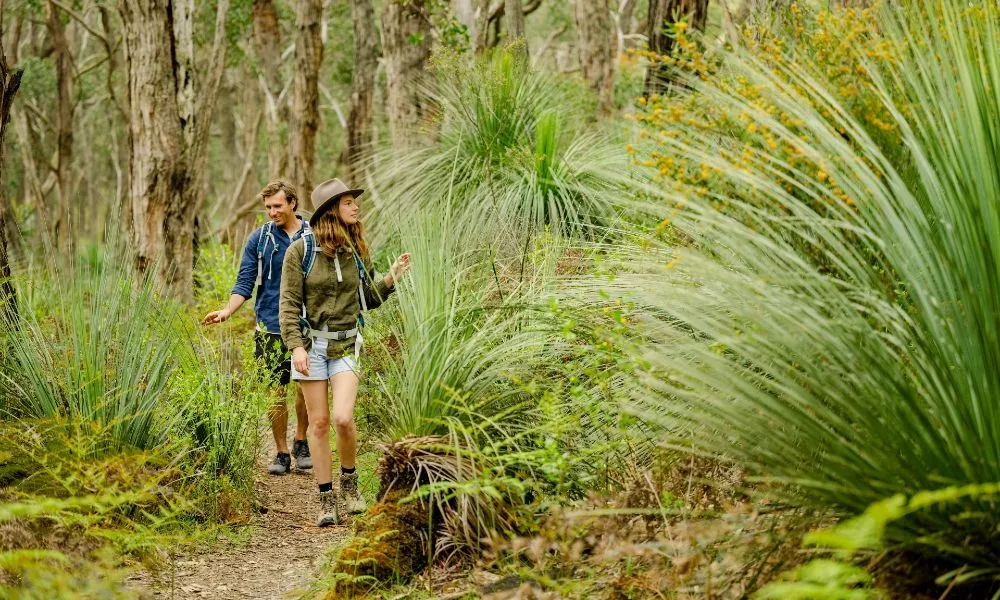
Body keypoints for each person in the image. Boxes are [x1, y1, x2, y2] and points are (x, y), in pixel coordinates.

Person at [279, 178, 410, 527]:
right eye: (348, 202)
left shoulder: (357, 249)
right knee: (319, 423)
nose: (355, 207)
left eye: (355, 201)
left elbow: (366, 300)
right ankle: (326, 498)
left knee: (343, 418)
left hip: (347, 342)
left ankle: (350, 484)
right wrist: (295, 347)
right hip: (312, 347)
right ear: (331, 210)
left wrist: (391, 277)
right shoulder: (300, 252)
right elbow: (288, 306)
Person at [203, 180, 313, 475]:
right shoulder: (260, 239)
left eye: (277, 206)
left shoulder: (313, 235)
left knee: (306, 387)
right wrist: (227, 310)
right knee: (275, 390)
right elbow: (245, 281)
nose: (272, 212)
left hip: (308, 326)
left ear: (292, 203)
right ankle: (281, 452)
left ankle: (301, 440)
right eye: (268, 207)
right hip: (270, 324)